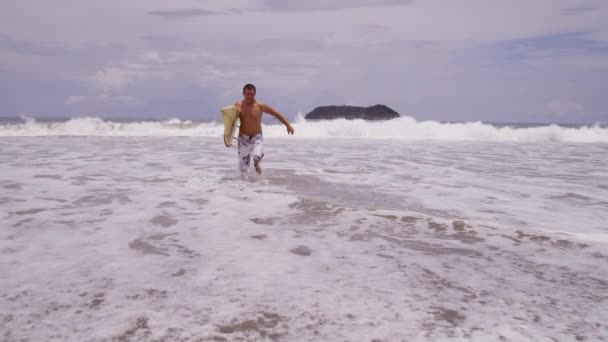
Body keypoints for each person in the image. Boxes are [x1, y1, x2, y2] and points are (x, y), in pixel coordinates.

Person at [234, 83, 294, 174]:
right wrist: (227, 138)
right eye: (247, 94)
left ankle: (258, 171)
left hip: (256, 137)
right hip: (243, 138)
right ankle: (244, 187)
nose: (249, 96)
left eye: (252, 94)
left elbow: (275, 113)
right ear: (243, 93)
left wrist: (288, 125)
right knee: (243, 168)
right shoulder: (238, 106)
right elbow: (230, 121)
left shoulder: (260, 106)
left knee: (256, 157)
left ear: (255, 94)